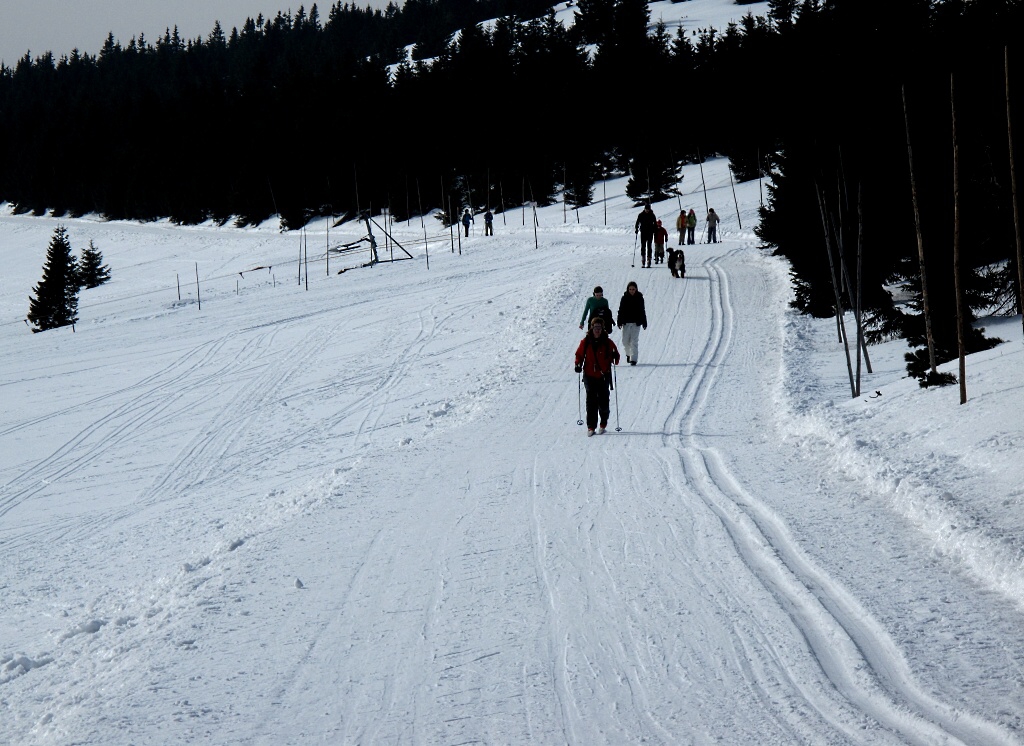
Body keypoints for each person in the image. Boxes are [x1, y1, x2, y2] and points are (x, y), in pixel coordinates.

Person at [574, 315, 620, 435]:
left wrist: (614, 357)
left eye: (599, 327)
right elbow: (579, 355)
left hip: (604, 375)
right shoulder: (586, 342)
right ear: (591, 328)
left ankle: (603, 424)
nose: (597, 330)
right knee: (591, 401)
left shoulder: (608, 342)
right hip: (589, 375)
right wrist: (578, 364)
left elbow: (616, 356)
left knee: (604, 402)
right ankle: (591, 426)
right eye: (595, 327)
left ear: (603, 328)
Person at [616, 281, 647, 366]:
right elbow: (621, 310)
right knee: (625, 341)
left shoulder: (640, 298)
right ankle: (628, 354)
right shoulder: (624, 298)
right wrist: (619, 321)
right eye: (630, 289)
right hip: (626, 323)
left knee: (634, 341)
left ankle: (633, 359)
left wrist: (644, 321)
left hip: (636, 323)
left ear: (636, 289)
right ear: (628, 289)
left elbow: (642, 310)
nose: (632, 291)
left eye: (633, 289)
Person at [634, 204, 657, 268]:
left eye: (648, 209)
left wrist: (655, 230)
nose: (647, 210)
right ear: (644, 209)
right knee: (643, 246)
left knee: (649, 246)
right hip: (643, 232)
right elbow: (637, 222)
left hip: (650, 232)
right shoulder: (641, 215)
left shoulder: (652, 215)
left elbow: (655, 223)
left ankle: (649, 260)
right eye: (646, 209)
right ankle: (643, 259)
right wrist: (636, 228)